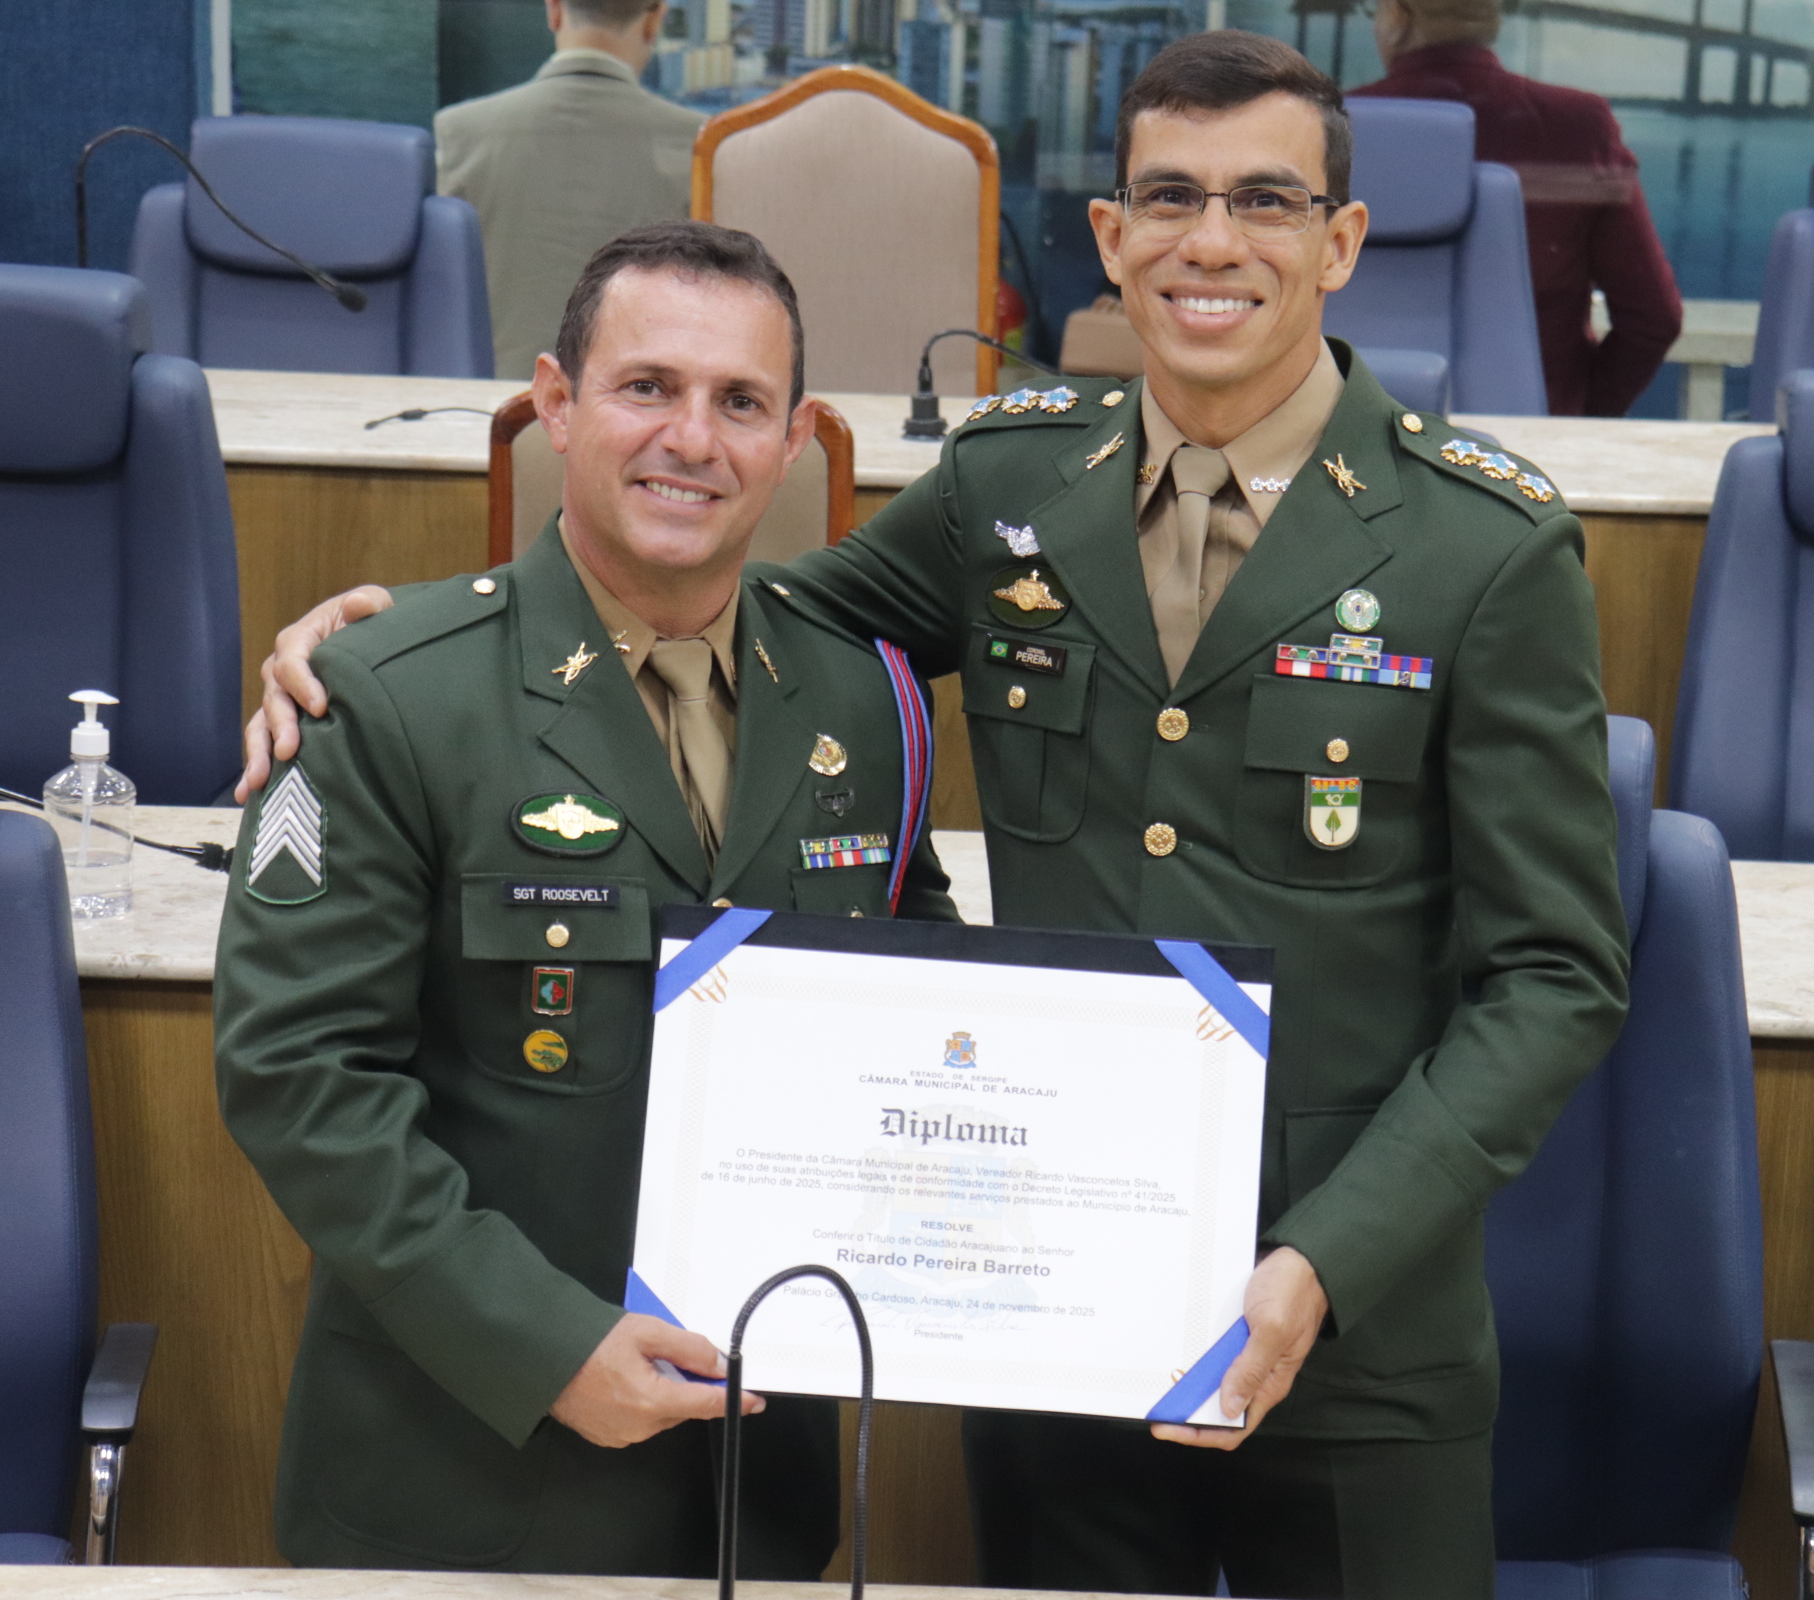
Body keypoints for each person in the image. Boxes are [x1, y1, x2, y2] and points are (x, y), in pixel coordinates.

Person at [245, 33, 1629, 1598]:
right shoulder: (1013, 488)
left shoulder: (1483, 546)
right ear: (1109, 235)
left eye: (1266, 200)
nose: (1213, 241)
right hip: (1055, 1313)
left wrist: (1325, 1261)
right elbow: (725, 604)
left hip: (1355, 1332)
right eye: (1168, 196)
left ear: (1343, 240)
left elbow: (1555, 977)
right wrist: (393, 648)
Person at [215, 221, 955, 1573]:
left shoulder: (867, 700)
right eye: (647, 387)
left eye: (741, 402)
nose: (693, 438)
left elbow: (926, 1003)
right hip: (462, 1483)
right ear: (555, 404)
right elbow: (300, 1078)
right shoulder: (388, 694)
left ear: (796, 439)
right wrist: (548, 1349)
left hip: (752, 1491)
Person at [1354, 0, 1684, 418]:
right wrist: (1574, 412)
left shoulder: (1334, 129)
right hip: (1529, 442)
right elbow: (1654, 317)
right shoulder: (1579, 127)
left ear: (1398, 17)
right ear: (1491, 19)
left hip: (1363, 433)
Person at [437, 0, 706, 379]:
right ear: (654, 19)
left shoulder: (458, 133)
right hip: (638, 405)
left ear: (554, 10)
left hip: (488, 402)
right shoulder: (700, 145)